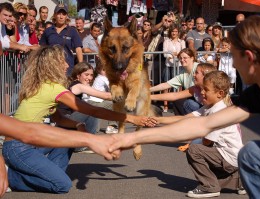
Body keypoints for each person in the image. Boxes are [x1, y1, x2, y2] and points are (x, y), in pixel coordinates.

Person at [109, 15, 260, 199]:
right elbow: (204, 124)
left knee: (252, 153)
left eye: (233, 56)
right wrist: (131, 137)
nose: (232, 63)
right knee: (252, 154)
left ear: (249, 57)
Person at [2, 45, 156, 193]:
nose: (67, 64)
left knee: (68, 137)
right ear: (52, 65)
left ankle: (44, 172)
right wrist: (132, 118)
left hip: (30, 144)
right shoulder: (53, 88)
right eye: (62, 61)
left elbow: (59, 119)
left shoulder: (44, 86)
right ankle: (10, 176)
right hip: (18, 147)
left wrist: (77, 124)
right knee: (62, 185)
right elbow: (92, 110)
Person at [153, 71, 244, 198]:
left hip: (228, 158)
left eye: (206, 90)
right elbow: (186, 118)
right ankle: (240, 180)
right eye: (202, 89)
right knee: (202, 154)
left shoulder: (218, 112)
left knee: (195, 149)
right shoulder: (210, 107)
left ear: (220, 94)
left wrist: (190, 141)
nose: (202, 92)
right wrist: (158, 120)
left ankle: (209, 187)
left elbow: (206, 141)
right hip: (231, 158)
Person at [150, 48, 200, 115]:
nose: (182, 60)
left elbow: (176, 95)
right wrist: (148, 90)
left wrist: (148, 97)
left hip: (203, 103)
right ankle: (181, 122)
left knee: (188, 103)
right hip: (195, 99)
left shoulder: (198, 69)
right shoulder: (183, 73)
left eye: (185, 58)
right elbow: (165, 85)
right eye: (180, 58)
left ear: (192, 58)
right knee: (178, 101)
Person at [39, 3, 83, 75]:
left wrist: (81, 68)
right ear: (55, 15)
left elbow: (78, 49)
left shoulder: (72, 31)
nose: (61, 16)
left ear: (66, 16)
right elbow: (42, 49)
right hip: (51, 69)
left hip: (67, 70)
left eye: (64, 14)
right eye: (59, 13)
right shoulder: (48, 31)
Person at [87, 62, 119, 134]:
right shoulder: (103, 78)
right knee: (113, 105)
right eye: (104, 70)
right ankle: (112, 126)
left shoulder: (98, 77)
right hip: (96, 102)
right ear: (98, 70)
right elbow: (112, 88)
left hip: (94, 101)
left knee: (95, 127)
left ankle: (92, 127)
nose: (106, 72)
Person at [162, 24, 186, 112]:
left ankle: (177, 104)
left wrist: (177, 55)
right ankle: (165, 105)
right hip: (169, 65)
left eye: (176, 31)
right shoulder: (166, 41)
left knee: (178, 85)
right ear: (170, 32)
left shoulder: (182, 42)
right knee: (166, 85)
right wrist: (172, 55)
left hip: (179, 65)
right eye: (172, 31)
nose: (174, 33)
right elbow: (165, 53)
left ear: (178, 32)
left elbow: (184, 52)